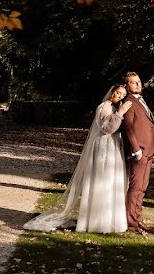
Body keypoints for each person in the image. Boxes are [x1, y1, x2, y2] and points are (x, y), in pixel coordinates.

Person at [23, 84, 132, 233]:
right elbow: (107, 129)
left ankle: (112, 220)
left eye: (122, 95)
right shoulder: (104, 107)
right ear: (112, 92)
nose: (119, 96)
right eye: (118, 93)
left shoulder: (115, 107)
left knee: (112, 180)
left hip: (114, 147)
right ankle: (96, 221)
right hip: (104, 147)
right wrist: (120, 113)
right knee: (101, 179)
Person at [121, 71, 154, 233]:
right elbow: (128, 128)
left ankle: (137, 219)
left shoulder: (140, 101)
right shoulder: (129, 103)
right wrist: (136, 150)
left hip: (148, 150)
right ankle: (131, 222)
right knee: (136, 187)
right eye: (133, 82)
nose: (137, 84)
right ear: (126, 86)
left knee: (142, 187)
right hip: (140, 152)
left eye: (138, 81)